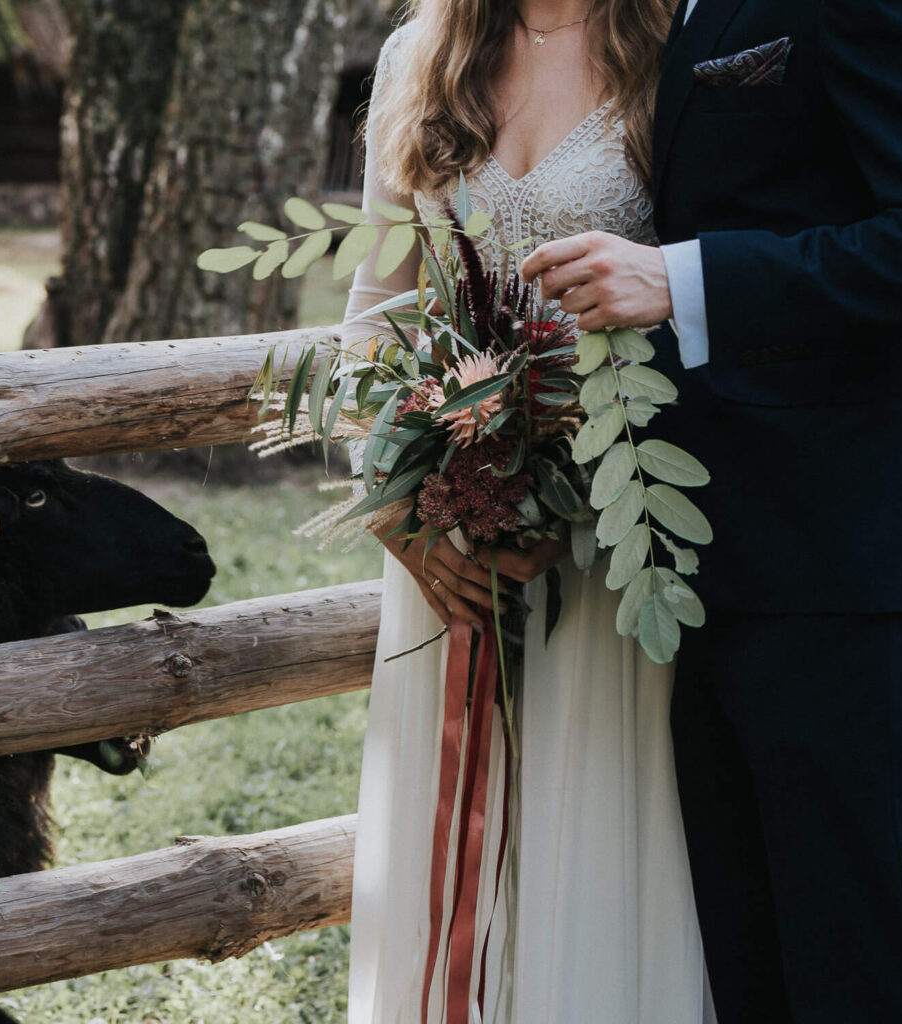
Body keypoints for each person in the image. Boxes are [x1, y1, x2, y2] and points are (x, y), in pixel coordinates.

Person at [519, 0, 902, 1019]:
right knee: (753, 970)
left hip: (844, 569)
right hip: (702, 562)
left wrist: (682, 277)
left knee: (861, 968)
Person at [341, 2, 717, 1022]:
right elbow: (373, 321)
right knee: (453, 842)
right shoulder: (418, 55)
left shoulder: (675, 47)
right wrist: (402, 515)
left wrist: (581, 476)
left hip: (615, 532)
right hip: (448, 538)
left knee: (593, 826)